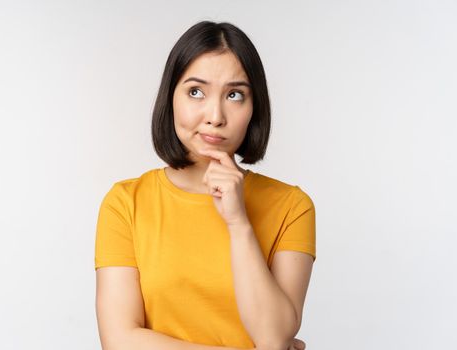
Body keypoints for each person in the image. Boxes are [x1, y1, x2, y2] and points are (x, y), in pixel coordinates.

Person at [94, 20, 315, 350]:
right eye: (196, 91)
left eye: (235, 95)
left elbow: (273, 336)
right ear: (171, 97)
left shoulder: (291, 206)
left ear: (254, 109)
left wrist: (239, 223)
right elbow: (120, 341)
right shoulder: (126, 203)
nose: (215, 115)